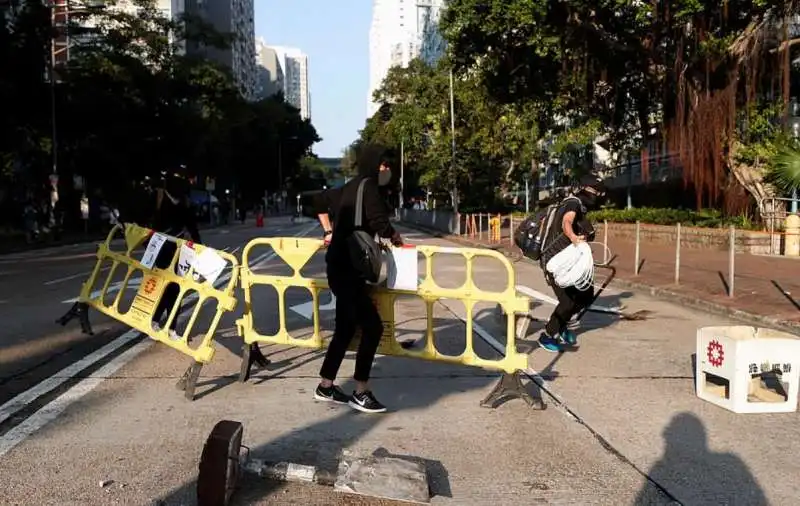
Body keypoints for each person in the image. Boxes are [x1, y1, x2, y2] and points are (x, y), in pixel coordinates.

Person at [312, 144, 402, 413]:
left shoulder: (349, 186)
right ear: (374, 164)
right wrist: (393, 235)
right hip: (349, 270)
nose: (386, 170)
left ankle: (325, 385)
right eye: (383, 165)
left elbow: (318, 201)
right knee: (373, 328)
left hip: (339, 266)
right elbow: (378, 221)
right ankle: (361, 391)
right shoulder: (369, 187)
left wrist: (329, 231)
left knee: (345, 329)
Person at [538, 179, 606, 353]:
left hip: (568, 260)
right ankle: (548, 335)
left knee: (585, 294)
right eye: (597, 193)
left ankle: (561, 326)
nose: (598, 197)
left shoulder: (577, 205)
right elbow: (567, 223)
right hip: (556, 262)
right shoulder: (573, 204)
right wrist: (574, 238)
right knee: (567, 302)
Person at [150, 176, 202, 339]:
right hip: (159, 250)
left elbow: (192, 227)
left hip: (177, 251)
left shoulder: (184, 203)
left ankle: (169, 327)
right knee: (165, 288)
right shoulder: (157, 198)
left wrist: (200, 247)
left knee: (176, 289)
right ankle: (155, 322)